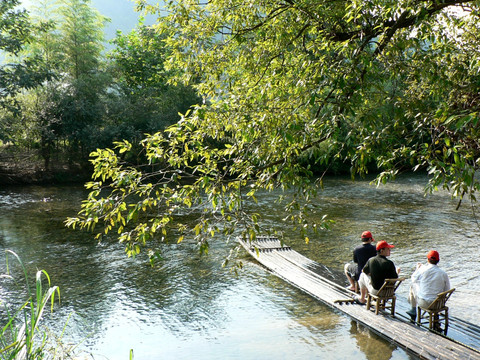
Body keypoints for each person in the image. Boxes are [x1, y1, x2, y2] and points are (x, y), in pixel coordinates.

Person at [406, 250, 451, 322]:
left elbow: (413, 279)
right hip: (438, 304)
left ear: (427, 259)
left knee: (413, 285)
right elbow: (447, 289)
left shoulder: (422, 269)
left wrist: (418, 269)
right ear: (438, 260)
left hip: (424, 303)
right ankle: (436, 318)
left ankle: (413, 309)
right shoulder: (443, 273)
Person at [354, 240, 400, 305]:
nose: (390, 250)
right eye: (388, 249)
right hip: (389, 292)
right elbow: (395, 278)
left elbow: (364, 271)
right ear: (382, 250)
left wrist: (372, 273)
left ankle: (362, 298)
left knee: (362, 275)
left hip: (376, 292)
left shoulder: (371, 260)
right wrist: (397, 272)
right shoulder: (390, 263)